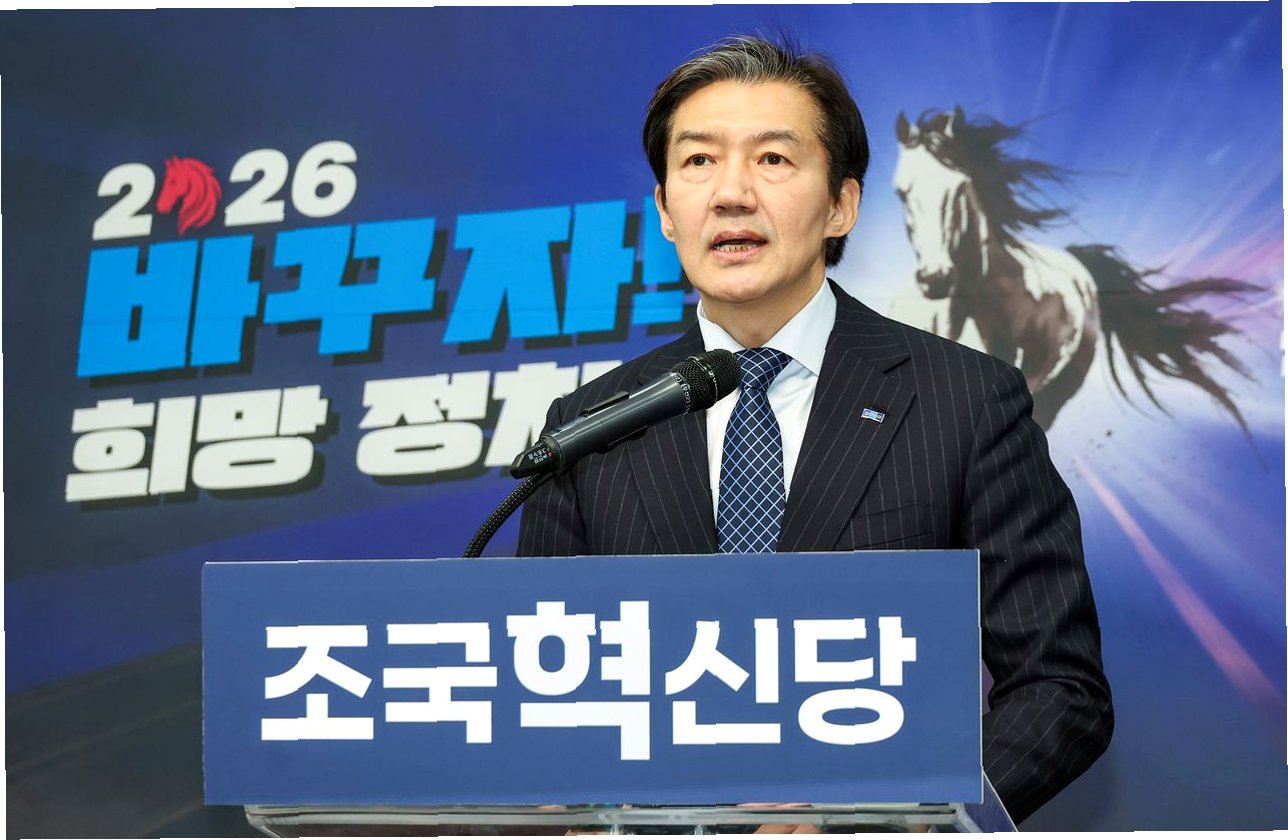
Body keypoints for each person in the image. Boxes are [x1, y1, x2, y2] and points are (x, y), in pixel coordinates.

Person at [517, 34, 1112, 825]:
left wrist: (888, 815)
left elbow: (1059, 688)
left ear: (842, 206)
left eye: (772, 159)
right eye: (698, 161)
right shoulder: (588, 426)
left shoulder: (966, 401)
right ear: (663, 211)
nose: (730, 193)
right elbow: (539, 694)